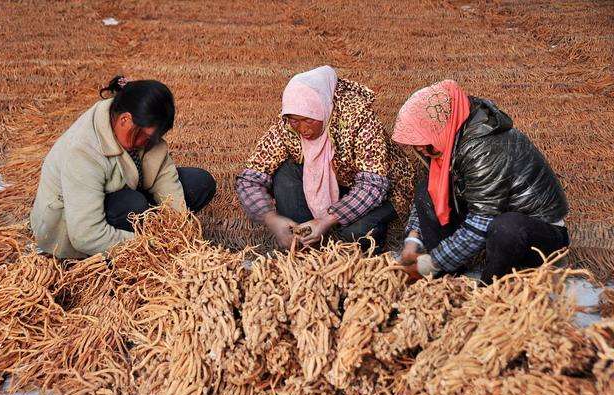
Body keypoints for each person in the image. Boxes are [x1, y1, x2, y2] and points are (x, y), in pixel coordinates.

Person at [393, 80, 569, 284]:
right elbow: (431, 193)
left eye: (422, 140)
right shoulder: (449, 139)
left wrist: (429, 263)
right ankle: (444, 273)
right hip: (492, 219)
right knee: (426, 190)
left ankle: (489, 287)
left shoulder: (484, 147)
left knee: (507, 228)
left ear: (438, 127)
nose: (419, 148)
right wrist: (412, 241)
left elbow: (482, 220)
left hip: (537, 234)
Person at [30, 76, 216, 259]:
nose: (149, 143)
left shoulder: (135, 127)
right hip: (70, 229)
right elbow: (84, 235)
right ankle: (122, 246)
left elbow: (164, 176)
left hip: (124, 194)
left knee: (199, 182)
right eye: (148, 137)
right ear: (125, 120)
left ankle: (143, 224)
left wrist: (179, 227)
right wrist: (150, 244)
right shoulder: (82, 151)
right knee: (133, 204)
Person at [235, 66, 415, 252]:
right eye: (296, 121)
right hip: (340, 180)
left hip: (382, 191)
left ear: (324, 108)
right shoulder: (286, 124)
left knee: (355, 235)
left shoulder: (358, 118)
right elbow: (249, 179)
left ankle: (345, 235)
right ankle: (303, 237)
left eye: (309, 120)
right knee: (285, 171)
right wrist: (271, 219)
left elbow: (373, 185)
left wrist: (326, 220)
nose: (303, 129)